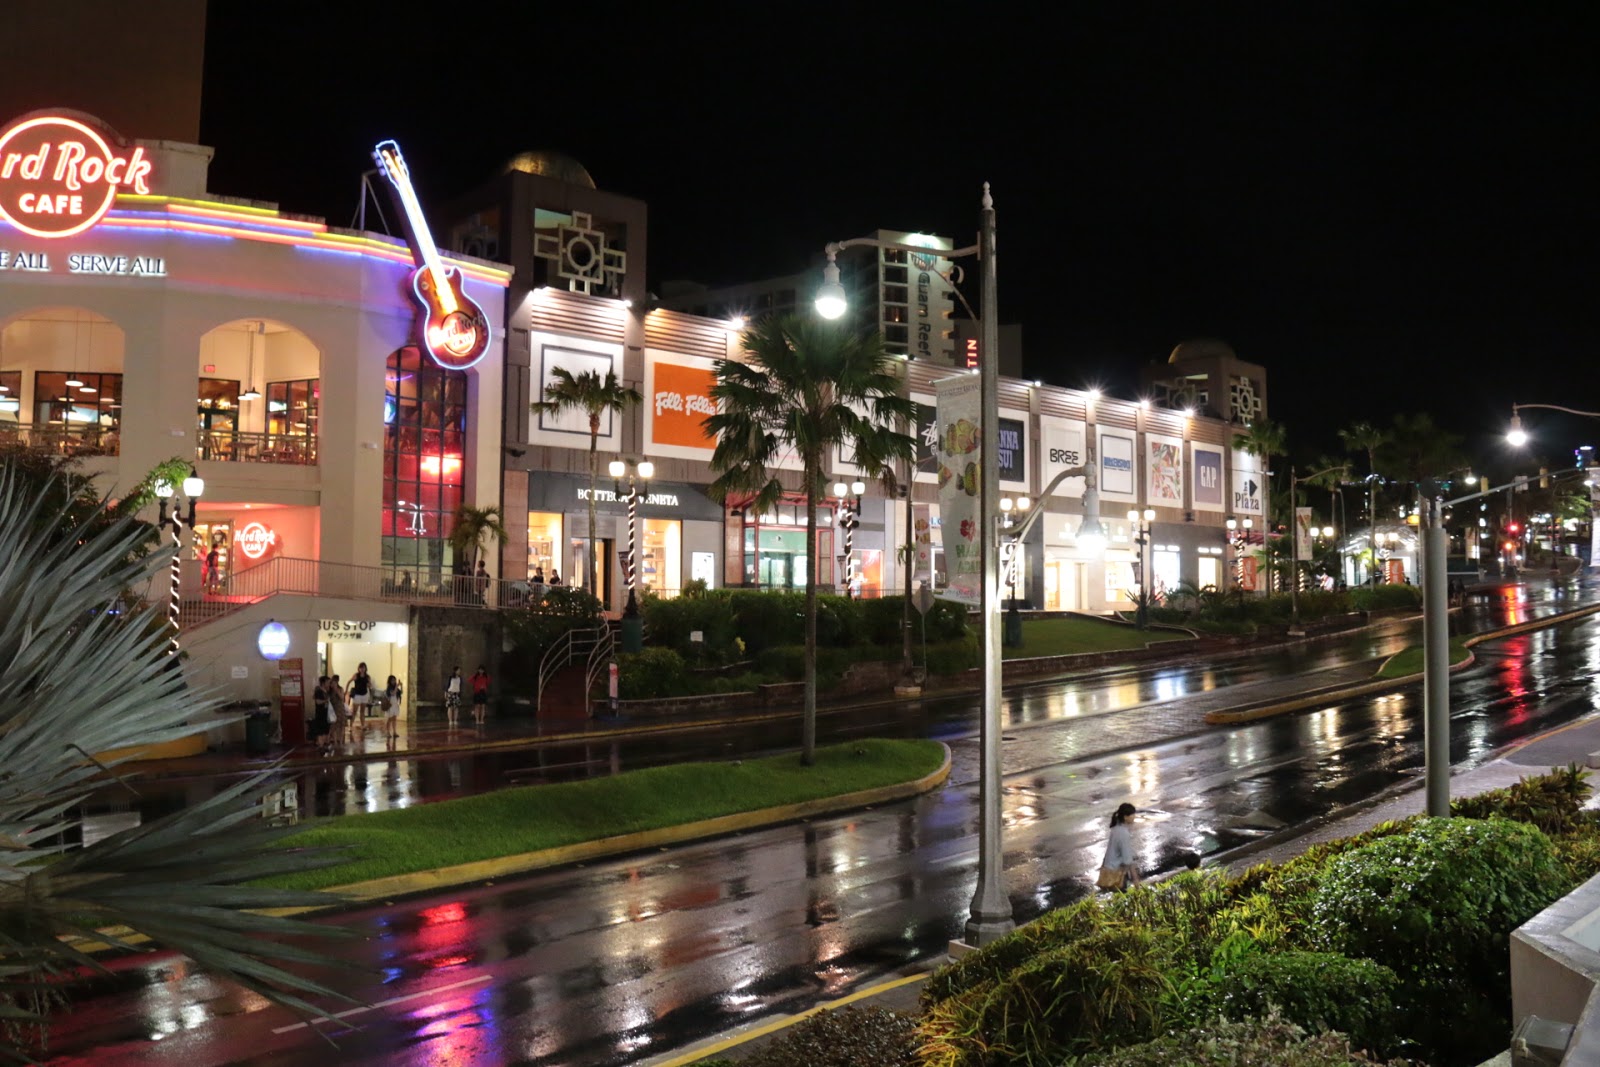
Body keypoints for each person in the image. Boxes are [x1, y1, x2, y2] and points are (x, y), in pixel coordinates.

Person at [1098, 802, 1141, 892]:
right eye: (1132, 815)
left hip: (1109, 869)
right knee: (1122, 895)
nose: (1134, 816)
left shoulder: (1116, 829)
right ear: (1125, 817)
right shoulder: (1123, 833)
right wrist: (1135, 879)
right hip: (1117, 873)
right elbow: (1127, 860)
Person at [346, 663, 373, 738]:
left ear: (365, 668)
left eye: (363, 668)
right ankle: (351, 726)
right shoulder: (356, 675)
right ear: (358, 669)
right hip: (357, 694)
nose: (362, 669)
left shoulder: (367, 677)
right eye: (360, 668)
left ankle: (363, 725)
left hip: (364, 694)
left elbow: (370, 686)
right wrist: (346, 690)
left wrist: (369, 684)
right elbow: (349, 681)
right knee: (354, 711)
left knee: (362, 711)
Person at [310, 676, 331, 756]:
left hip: (326, 713)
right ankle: (321, 745)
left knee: (325, 729)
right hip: (320, 713)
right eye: (327, 682)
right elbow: (318, 702)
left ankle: (324, 745)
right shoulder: (319, 691)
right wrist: (326, 701)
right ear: (323, 683)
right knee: (321, 730)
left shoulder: (326, 691)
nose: (329, 684)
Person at [382, 674, 403, 749]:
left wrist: (400, 686)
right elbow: (393, 693)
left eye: (395, 680)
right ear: (390, 681)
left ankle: (394, 732)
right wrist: (397, 686)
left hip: (395, 705)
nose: (394, 681)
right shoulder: (389, 688)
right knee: (389, 719)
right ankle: (388, 732)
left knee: (394, 719)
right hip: (390, 705)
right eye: (392, 680)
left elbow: (400, 693)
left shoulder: (395, 687)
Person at [327, 673, 347, 747]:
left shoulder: (340, 689)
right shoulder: (329, 691)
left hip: (340, 709)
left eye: (334, 683)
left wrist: (336, 690)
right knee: (334, 726)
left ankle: (341, 741)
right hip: (333, 710)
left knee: (342, 726)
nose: (333, 684)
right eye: (332, 683)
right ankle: (335, 741)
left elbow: (342, 698)